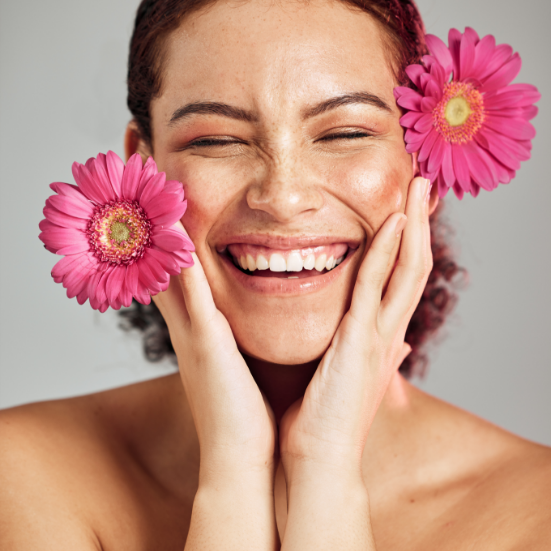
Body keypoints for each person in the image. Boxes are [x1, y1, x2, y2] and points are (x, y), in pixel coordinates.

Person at [1, 0, 549, 549]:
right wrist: (231, 474)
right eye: (216, 140)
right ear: (139, 167)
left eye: (345, 134)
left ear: (426, 165)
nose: (283, 198)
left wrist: (327, 467)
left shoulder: (533, 513)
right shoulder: (21, 478)